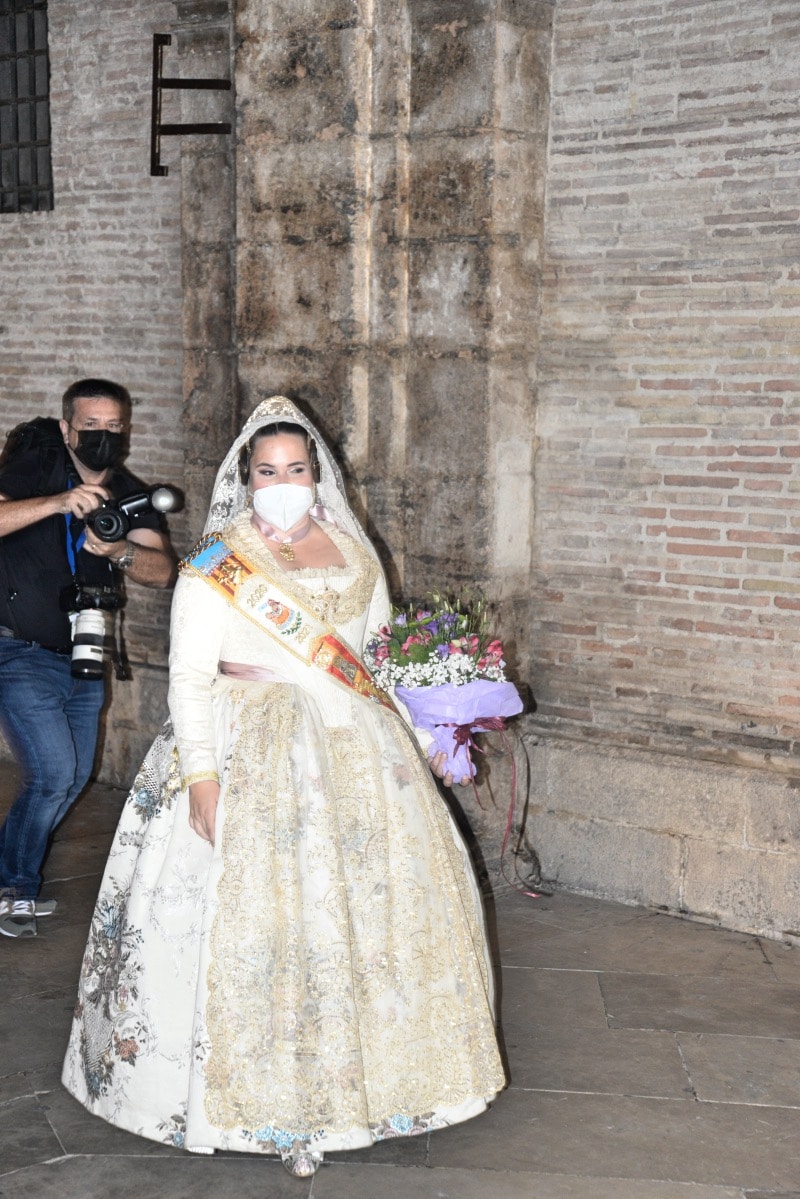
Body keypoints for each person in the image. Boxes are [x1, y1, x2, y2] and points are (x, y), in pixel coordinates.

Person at [62, 395, 505, 1177]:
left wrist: (428, 734)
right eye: (266, 471)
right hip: (248, 751)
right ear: (246, 479)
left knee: (364, 919)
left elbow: (376, 659)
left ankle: (365, 1091)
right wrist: (201, 777)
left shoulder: (355, 554)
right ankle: (275, 1106)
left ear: (316, 474)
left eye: (296, 468)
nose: (283, 482)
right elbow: (190, 679)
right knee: (264, 931)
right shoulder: (217, 562)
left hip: (358, 755)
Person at [0, 378, 177, 939]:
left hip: (85, 651)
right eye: (91, 426)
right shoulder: (35, 468)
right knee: (52, 772)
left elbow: (162, 570)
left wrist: (119, 550)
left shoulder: (128, 492)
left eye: (114, 427)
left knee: (74, 774)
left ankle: (11, 873)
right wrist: (59, 503)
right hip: (17, 649)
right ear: (66, 428)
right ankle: (14, 889)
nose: (103, 436)